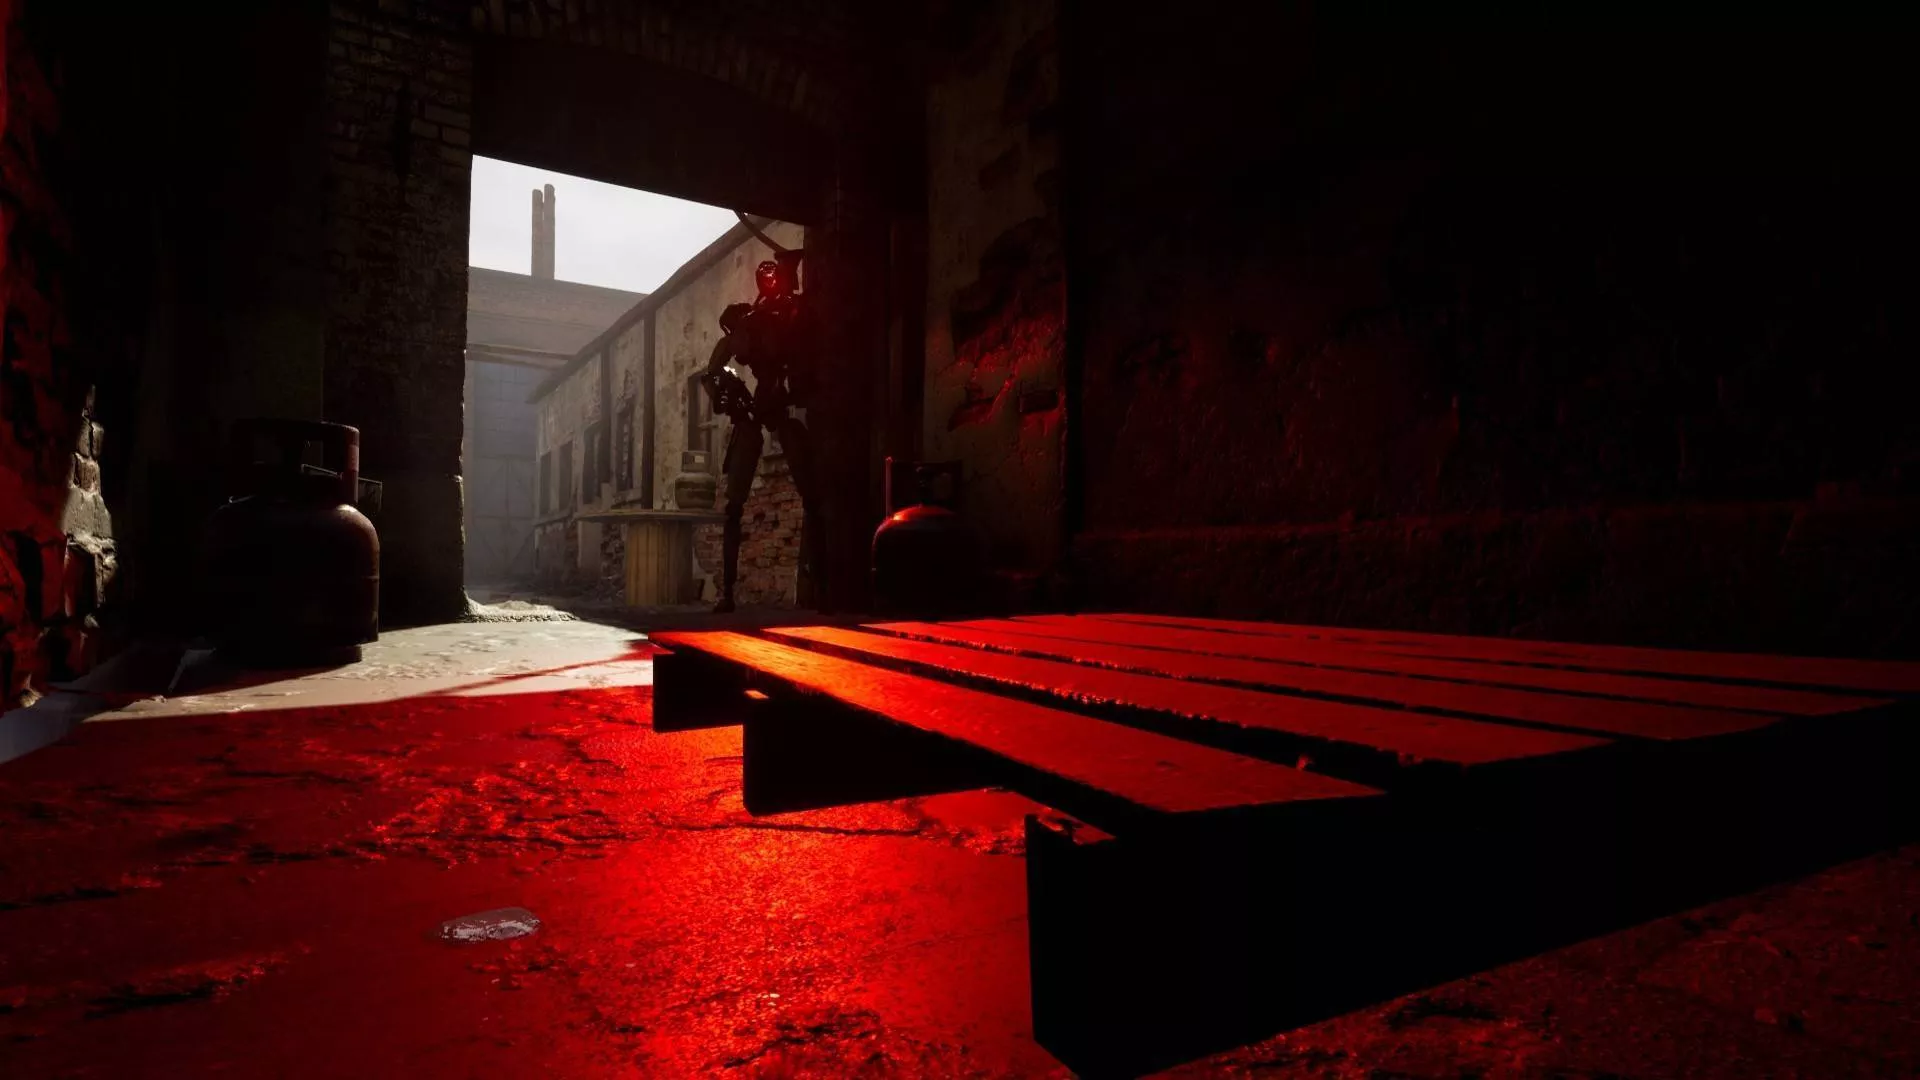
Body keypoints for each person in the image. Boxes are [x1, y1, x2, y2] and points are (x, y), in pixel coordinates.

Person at [701, 243, 821, 614]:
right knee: (735, 504)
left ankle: (819, 585)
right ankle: (728, 593)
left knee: (813, 495)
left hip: (779, 405)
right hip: (757, 410)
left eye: (782, 273)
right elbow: (714, 372)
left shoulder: (795, 315)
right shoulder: (751, 321)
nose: (779, 281)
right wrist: (732, 398)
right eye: (777, 274)